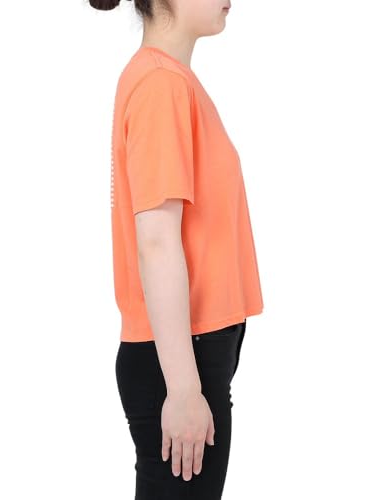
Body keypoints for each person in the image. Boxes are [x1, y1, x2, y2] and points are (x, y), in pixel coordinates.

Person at [89, 0, 264, 498]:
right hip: (179, 357)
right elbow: (157, 240)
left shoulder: (170, 81)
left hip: (187, 352)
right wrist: (184, 386)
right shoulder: (161, 85)